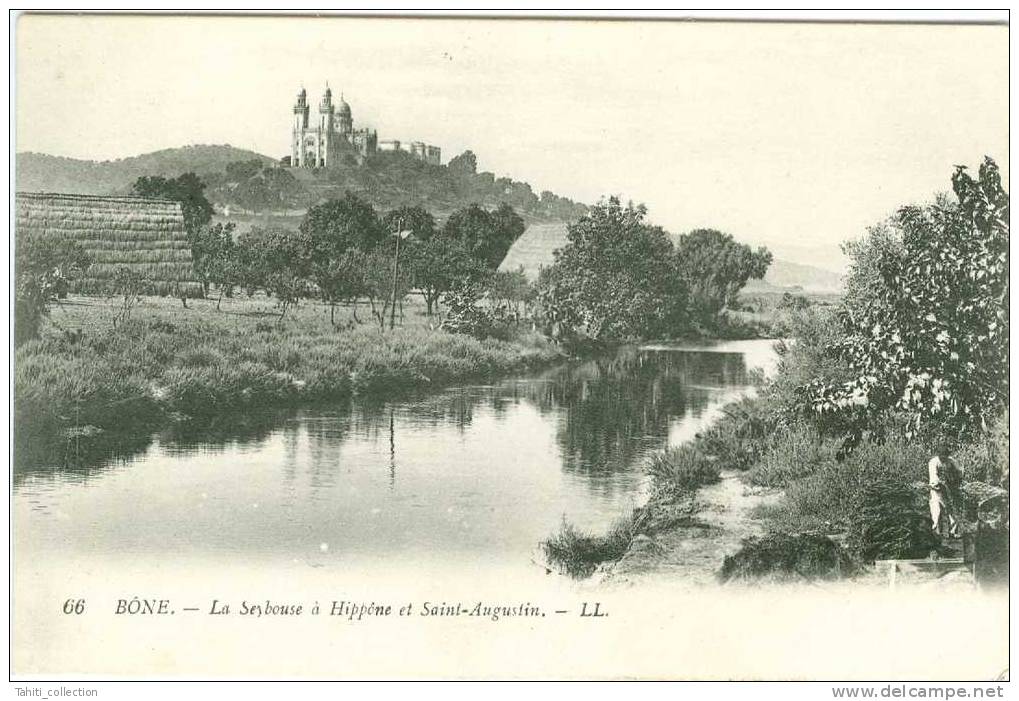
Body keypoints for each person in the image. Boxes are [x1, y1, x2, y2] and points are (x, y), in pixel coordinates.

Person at [928, 448, 962, 538]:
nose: (943, 458)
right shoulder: (933, 462)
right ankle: (936, 531)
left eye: (945, 456)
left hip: (949, 488)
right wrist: (939, 483)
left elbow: (959, 472)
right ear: (938, 455)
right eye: (941, 456)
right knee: (936, 509)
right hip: (936, 489)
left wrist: (956, 481)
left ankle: (953, 531)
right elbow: (933, 476)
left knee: (951, 509)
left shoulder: (951, 461)